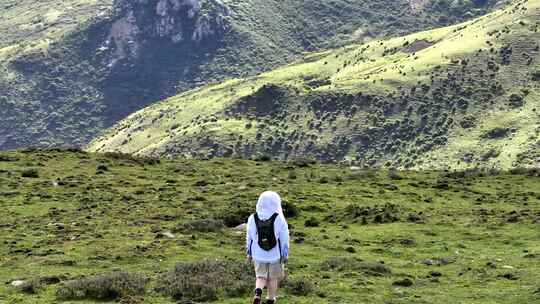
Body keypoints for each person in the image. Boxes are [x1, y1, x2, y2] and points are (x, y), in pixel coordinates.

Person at [246, 191, 290, 304]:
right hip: (275, 255)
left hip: (258, 254)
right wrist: (285, 254)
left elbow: (249, 237)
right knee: (273, 278)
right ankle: (270, 299)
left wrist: (249, 253)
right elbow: (284, 238)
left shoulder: (252, 218)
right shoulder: (279, 219)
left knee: (260, 276)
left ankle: (258, 292)